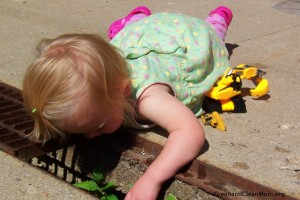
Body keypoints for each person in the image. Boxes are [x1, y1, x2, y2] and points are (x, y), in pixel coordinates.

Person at [22, 5, 232, 200]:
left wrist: (152, 179)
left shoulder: (148, 97)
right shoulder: (105, 84)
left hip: (189, 39)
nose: (89, 136)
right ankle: (137, 20)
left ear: (124, 91)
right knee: (129, 35)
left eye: (98, 126)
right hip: (147, 36)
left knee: (211, 37)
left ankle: (216, 21)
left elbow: (189, 133)